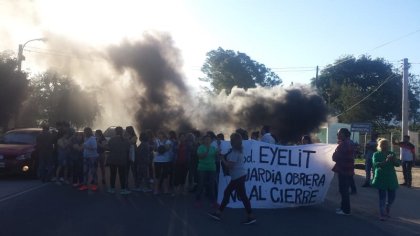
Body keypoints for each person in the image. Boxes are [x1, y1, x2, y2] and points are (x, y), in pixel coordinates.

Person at [208, 132, 256, 225]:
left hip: (238, 177)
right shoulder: (236, 150)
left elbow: (230, 165)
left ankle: (250, 216)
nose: (230, 141)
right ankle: (219, 213)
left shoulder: (235, 152)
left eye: (231, 139)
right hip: (238, 176)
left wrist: (222, 159)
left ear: (233, 141)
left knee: (236, 194)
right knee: (238, 195)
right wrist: (222, 155)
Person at [371, 138, 400, 221]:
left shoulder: (391, 154)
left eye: (386, 144)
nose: (385, 146)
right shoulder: (376, 154)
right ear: (380, 146)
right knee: (382, 197)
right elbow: (376, 164)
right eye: (383, 144)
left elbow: (398, 164)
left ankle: (388, 206)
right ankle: (382, 214)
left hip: (391, 178)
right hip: (381, 178)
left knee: (392, 197)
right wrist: (386, 161)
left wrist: (393, 160)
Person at [332, 128, 354, 215]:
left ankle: (346, 210)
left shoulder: (343, 144)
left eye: (339, 134)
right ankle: (343, 207)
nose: (337, 135)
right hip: (348, 169)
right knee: (344, 190)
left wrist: (335, 152)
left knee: (343, 190)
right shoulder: (349, 143)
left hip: (343, 170)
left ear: (343, 134)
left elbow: (335, 157)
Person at [107, 126, 131, 194]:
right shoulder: (126, 140)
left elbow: (108, 148)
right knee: (122, 175)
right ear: (122, 132)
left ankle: (112, 188)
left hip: (113, 159)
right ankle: (123, 189)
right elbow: (128, 149)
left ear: (115, 132)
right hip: (122, 160)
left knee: (112, 174)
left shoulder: (112, 139)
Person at [195, 135, 217, 207]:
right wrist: (207, 151)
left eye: (209, 139)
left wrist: (218, 153)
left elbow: (216, 156)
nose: (208, 141)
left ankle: (213, 201)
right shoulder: (201, 147)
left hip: (212, 168)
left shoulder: (213, 148)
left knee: (211, 185)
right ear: (203, 140)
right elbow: (200, 157)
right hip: (202, 168)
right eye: (206, 139)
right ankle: (198, 200)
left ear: (211, 141)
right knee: (201, 184)